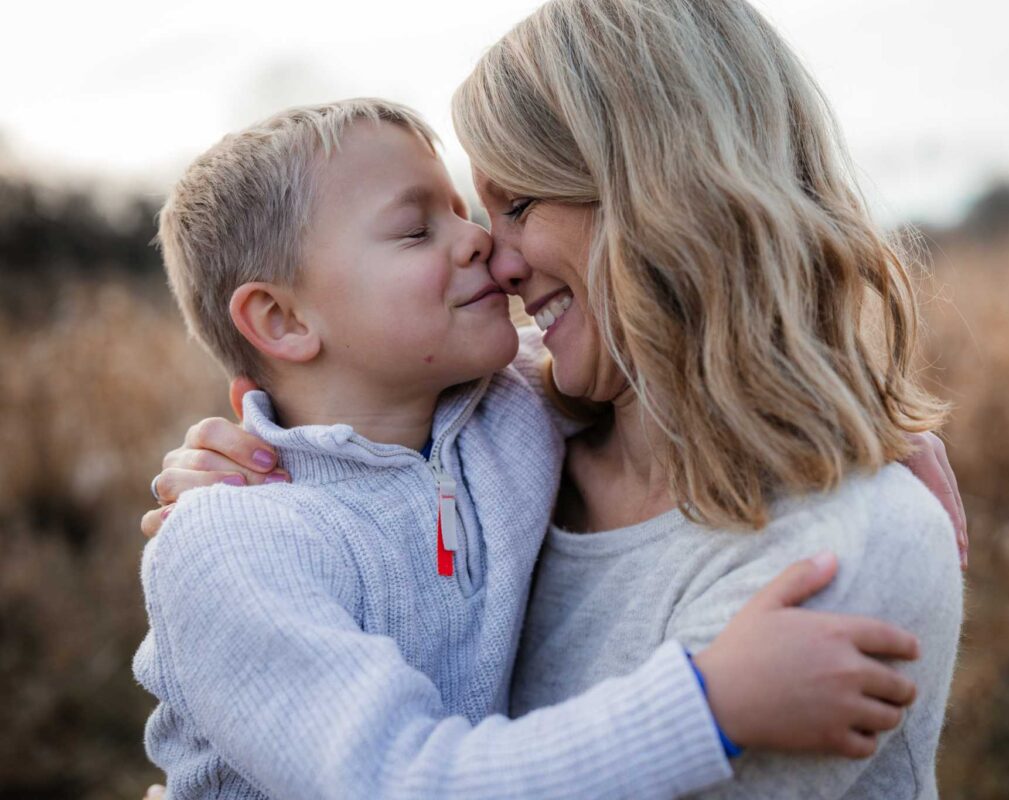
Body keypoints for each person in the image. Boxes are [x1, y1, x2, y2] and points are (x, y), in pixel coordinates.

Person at [135, 96, 929, 800]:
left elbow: (689, 360)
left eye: (465, 212)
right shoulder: (234, 543)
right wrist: (708, 705)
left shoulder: (507, 410)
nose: (480, 242)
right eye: (415, 230)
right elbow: (404, 782)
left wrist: (883, 431)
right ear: (281, 320)